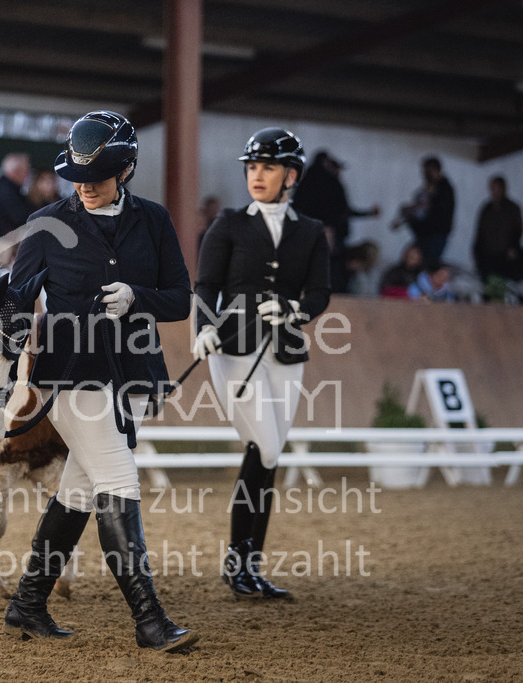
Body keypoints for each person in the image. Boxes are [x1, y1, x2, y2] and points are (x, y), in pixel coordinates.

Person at [6, 111, 196, 652]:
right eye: (77, 177)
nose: (85, 186)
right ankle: (150, 620)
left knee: (79, 491)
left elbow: (180, 300)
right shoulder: (46, 224)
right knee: (118, 479)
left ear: (127, 169)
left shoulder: (154, 221)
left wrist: (139, 296)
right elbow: (20, 300)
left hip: (131, 375)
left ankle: (27, 604)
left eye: (99, 176)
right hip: (71, 376)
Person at [193, 127, 331, 600]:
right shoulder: (228, 224)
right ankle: (240, 564)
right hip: (233, 349)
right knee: (267, 448)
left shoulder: (310, 232)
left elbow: (319, 293)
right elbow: (206, 285)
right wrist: (204, 328)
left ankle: (246, 566)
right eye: (252, 167)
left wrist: (296, 311)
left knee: (265, 458)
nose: (257, 175)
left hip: (286, 353)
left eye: (267, 167)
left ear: (291, 175)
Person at [292, 151, 379, 293]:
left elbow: (341, 211)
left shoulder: (312, 182)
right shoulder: (322, 183)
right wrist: (326, 228)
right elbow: (334, 211)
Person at [391, 156, 455, 268]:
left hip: (434, 234)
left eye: (427, 171)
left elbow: (436, 213)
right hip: (424, 234)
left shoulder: (443, 190)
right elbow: (419, 209)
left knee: (426, 264)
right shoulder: (428, 189)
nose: (425, 174)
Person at [472, 176, 523, 283]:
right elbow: (480, 231)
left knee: (501, 284)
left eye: (496, 188)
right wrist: (477, 251)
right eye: (492, 188)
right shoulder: (487, 208)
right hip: (487, 255)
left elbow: (518, 229)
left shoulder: (512, 208)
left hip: (504, 257)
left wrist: (513, 247)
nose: (494, 192)